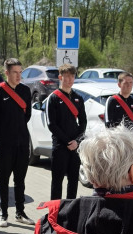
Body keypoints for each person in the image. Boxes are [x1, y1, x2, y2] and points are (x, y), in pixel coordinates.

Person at [0, 57, 34, 226]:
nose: (18, 76)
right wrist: (5, 136)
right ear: (6, 73)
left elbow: (26, 115)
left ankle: (20, 212)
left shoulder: (25, 91)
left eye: (20, 72)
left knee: (20, 180)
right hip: (4, 145)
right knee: (4, 180)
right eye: (15, 72)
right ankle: (3, 214)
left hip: (22, 143)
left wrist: (18, 132)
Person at [46, 64, 87, 200]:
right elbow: (52, 124)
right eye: (67, 76)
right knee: (57, 182)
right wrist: (67, 141)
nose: (70, 79)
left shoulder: (78, 98)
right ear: (60, 77)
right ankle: (55, 212)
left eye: (72, 76)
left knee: (73, 181)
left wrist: (76, 141)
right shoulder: (53, 98)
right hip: (60, 146)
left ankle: (71, 211)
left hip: (75, 146)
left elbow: (83, 122)